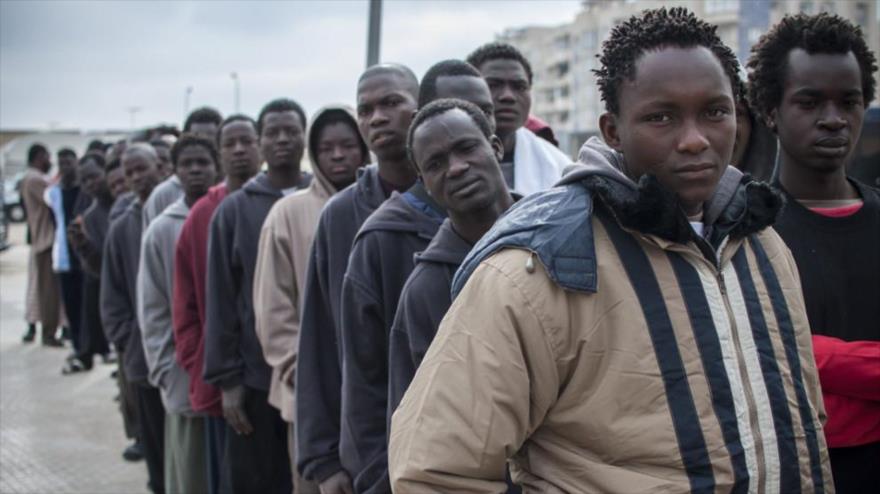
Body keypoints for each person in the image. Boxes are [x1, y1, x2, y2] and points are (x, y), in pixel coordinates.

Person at [390, 7, 834, 492]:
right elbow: (436, 471)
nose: (694, 140)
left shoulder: (763, 245)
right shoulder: (540, 267)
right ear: (612, 130)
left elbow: (803, 425)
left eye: (714, 112)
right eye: (661, 117)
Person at [747, 12, 879, 493]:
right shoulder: (744, 230)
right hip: (787, 471)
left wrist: (816, 358)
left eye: (849, 101)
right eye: (809, 102)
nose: (833, 119)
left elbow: (790, 353)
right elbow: (755, 358)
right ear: (771, 111)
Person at [294, 64, 418, 494]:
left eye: (391, 103)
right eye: (366, 110)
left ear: (421, 106)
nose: (377, 118)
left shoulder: (456, 200)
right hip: (369, 450)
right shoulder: (341, 215)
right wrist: (323, 459)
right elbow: (319, 340)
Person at [254, 105, 368, 494]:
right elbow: (273, 309)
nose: (338, 156)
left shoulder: (388, 205)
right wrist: (303, 372)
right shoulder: (288, 213)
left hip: (373, 393)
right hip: (312, 396)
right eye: (326, 148)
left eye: (348, 145)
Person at [203, 98, 310, 494]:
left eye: (291, 131)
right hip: (255, 379)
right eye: (272, 132)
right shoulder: (233, 211)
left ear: (304, 137)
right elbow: (220, 301)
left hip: (311, 377)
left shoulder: (325, 199)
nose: (282, 139)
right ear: (261, 141)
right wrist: (228, 381)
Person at [173, 114, 261, 494]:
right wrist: (206, 367)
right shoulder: (202, 216)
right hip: (224, 384)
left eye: (247, 141)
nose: (239, 150)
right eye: (229, 144)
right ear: (221, 154)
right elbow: (185, 306)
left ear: (260, 145)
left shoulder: (282, 203)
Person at [139, 134, 219, 494]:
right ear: (174, 171)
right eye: (187, 164)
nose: (196, 170)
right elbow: (153, 309)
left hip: (227, 376)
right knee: (192, 473)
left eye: (203, 162)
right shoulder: (162, 230)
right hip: (183, 374)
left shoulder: (226, 211)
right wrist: (167, 370)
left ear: (216, 166)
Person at [101, 143, 165, 493]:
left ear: (160, 167)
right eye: (130, 172)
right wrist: (129, 339)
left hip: (180, 357)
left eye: (143, 169)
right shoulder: (122, 226)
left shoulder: (175, 213)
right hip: (142, 358)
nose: (138, 177)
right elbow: (111, 298)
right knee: (154, 443)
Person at [466, 42, 571, 195]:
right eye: (493, 85)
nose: (508, 96)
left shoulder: (558, 166)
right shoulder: (443, 161)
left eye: (519, 86)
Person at [65, 154, 112, 373]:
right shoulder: (90, 215)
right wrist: (83, 246)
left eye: (94, 177)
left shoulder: (125, 204)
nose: (90, 184)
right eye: (84, 181)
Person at [45, 148, 87, 367]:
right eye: (61, 163)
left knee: (87, 306)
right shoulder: (53, 193)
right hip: (64, 257)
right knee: (71, 306)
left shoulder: (85, 191)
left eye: (68, 162)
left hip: (85, 257)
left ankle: (89, 348)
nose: (65, 167)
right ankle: (78, 347)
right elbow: (55, 222)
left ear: (76, 163)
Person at [20, 143, 63, 347]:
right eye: (47, 156)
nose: (50, 160)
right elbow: (54, 196)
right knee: (47, 292)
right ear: (38, 157)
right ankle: (48, 333)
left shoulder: (32, 178)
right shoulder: (34, 179)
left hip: (43, 240)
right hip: (46, 241)